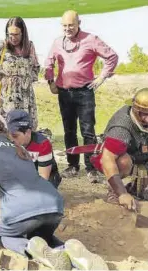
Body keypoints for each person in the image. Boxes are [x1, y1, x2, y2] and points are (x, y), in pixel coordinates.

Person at [0, 112, 108, 270]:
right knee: (41, 238)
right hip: (54, 204)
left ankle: (31, 249)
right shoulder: (21, 148)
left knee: (5, 237)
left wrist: (0, 213)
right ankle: (68, 249)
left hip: (22, 208)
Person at [44, 10, 118, 183]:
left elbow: (112, 56)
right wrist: (51, 82)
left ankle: (92, 168)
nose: (68, 28)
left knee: (88, 131)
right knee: (69, 131)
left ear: (79, 23)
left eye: (71, 25)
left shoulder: (91, 39)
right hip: (64, 93)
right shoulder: (57, 42)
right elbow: (48, 62)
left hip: (85, 92)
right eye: (65, 25)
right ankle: (73, 165)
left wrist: (101, 77)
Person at [0, 16, 40, 130]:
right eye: (10, 34)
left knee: (26, 128)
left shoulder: (29, 46)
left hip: (26, 96)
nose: (13, 37)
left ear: (23, 33)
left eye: (16, 34)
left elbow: (36, 67)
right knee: (9, 127)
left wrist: (27, 78)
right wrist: (0, 74)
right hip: (7, 96)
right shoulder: (2, 46)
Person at [90, 88, 148, 209]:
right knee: (122, 162)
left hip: (141, 153)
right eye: (144, 114)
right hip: (119, 155)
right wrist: (122, 193)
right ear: (136, 110)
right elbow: (107, 159)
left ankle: (138, 187)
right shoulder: (121, 127)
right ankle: (115, 192)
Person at [6, 109, 61, 188]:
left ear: (28, 132)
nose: (11, 139)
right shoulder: (6, 142)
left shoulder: (42, 144)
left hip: (45, 176)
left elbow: (43, 177)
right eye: (9, 134)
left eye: (15, 136)